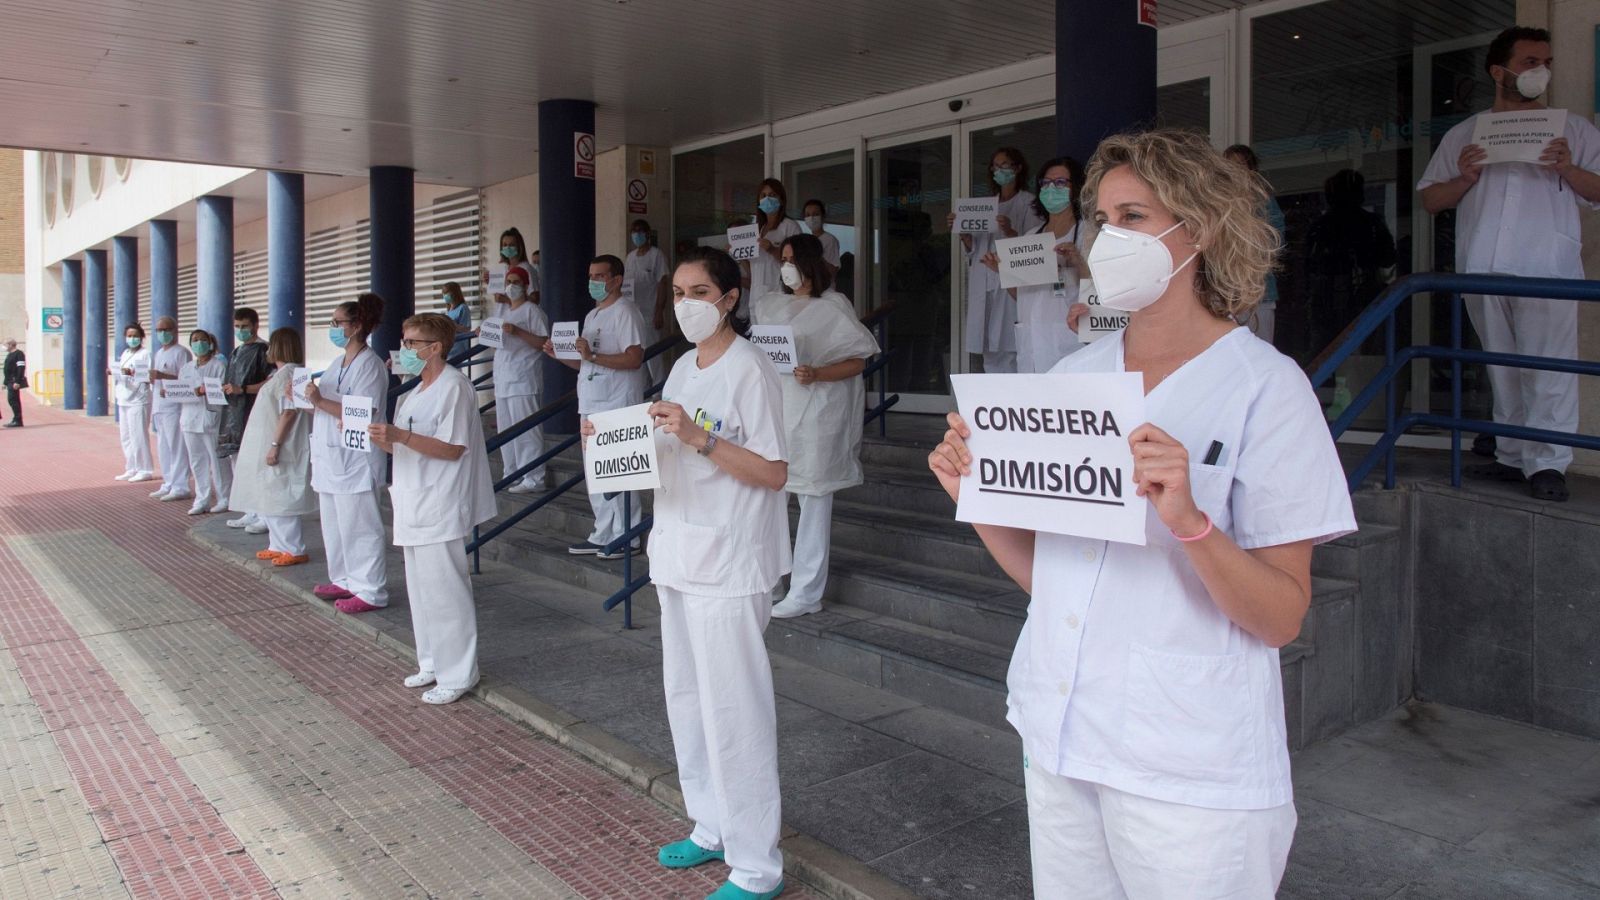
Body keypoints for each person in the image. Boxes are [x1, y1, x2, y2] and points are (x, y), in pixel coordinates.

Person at [928, 129, 1356, 897]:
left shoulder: (1266, 386)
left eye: (1134, 216)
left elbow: (1282, 617)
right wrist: (979, 502)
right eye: (1100, 217)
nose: (1106, 237)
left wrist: (1191, 521)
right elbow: (1057, 587)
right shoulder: (1074, 376)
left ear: (1203, 229)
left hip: (1187, 765)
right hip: (1059, 734)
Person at [598, 246, 788, 900]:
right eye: (679, 292)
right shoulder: (681, 366)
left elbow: (772, 472)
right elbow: (669, 441)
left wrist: (701, 438)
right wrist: (620, 440)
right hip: (680, 550)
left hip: (731, 560)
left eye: (701, 292)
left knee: (735, 709)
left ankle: (756, 866)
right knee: (689, 702)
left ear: (731, 298)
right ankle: (711, 823)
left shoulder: (751, 370)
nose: (686, 305)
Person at [1419, 25, 1600, 503]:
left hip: (1549, 270)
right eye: (1530, 62)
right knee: (1500, 368)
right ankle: (1513, 456)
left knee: (1549, 369)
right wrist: (1465, 177)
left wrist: (1568, 169)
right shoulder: (1465, 134)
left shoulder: (1574, 130)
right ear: (1499, 71)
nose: (1540, 71)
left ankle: (1550, 464)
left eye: (1546, 62)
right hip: (1482, 265)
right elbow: (1431, 199)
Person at [369, 313, 497, 706]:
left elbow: (454, 447)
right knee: (421, 591)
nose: (404, 350)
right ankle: (431, 660)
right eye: (404, 342)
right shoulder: (411, 393)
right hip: (412, 499)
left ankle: (459, 671)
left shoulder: (454, 387)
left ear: (435, 347)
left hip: (441, 501)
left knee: (445, 590)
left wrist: (401, 436)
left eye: (411, 343)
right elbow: (404, 446)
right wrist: (382, 439)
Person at [753, 234, 878, 619]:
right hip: (780, 412)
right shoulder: (772, 305)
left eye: (792, 259)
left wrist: (818, 372)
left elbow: (858, 360)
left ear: (810, 263)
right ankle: (771, 579)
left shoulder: (834, 305)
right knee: (771, 499)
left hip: (819, 415)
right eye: (783, 258)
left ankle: (807, 592)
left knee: (813, 501)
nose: (785, 265)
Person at [546, 255, 647, 560]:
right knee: (596, 471)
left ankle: (627, 535)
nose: (594, 281)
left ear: (617, 280)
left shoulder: (625, 312)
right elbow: (585, 361)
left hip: (617, 400)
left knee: (618, 468)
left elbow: (634, 358)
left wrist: (593, 357)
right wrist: (558, 355)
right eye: (591, 275)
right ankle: (603, 530)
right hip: (591, 400)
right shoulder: (592, 316)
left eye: (601, 276)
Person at [303, 294, 391, 613]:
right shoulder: (337, 362)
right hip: (331, 457)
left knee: (360, 525)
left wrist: (318, 401)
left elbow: (363, 412)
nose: (333, 327)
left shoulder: (370, 364)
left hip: (356, 460)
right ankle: (344, 579)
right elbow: (326, 400)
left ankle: (371, 589)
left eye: (338, 322)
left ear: (355, 327)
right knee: (335, 525)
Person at [983, 156, 1094, 374]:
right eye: (1046, 183)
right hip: (1031, 339)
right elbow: (1022, 296)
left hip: (1069, 338)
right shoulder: (1031, 236)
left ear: (1076, 188)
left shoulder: (1087, 234)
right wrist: (1003, 273)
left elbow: (1098, 292)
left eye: (1060, 183)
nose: (1052, 188)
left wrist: (1077, 262)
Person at [952, 148, 1043, 373]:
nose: (999, 170)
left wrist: (1010, 231)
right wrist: (964, 235)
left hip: (1009, 282)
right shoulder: (986, 205)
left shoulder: (1028, 203)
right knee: (989, 350)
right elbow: (976, 250)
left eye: (1005, 165)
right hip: (984, 282)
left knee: (1010, 348)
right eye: (995, 165)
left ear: (1018, 168)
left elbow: (1033, 246)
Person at [230, 328, 314, 566]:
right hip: (270, 441)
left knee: (281, 495)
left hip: (283, 444)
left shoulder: (293, 374)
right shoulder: (281, 374)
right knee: (269, 493)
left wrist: (276, 444)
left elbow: (289, 412)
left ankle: (293, 547)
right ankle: (277, 544)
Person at [1304, 169, 1396, 357]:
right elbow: (1388, 256)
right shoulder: (1366, 223)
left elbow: (1388, 256)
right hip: (1335, 297)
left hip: (1350, 296)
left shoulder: (1323, 225)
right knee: (1349, 346)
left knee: (1335, 348)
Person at [492, 266, 551, 493]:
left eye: (516, 281)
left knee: (527, 431)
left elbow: (544, 342)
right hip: (503, 379)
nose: (511, 285)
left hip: (524, 378)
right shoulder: (503, 312)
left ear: (526, 286)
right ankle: (512, 473)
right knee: (506, 431)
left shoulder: (532, 311)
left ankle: (534, 477)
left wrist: (518, 332)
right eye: (508, 281)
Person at [1225, 144, 1286, 344]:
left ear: (1251, 169)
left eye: (1241, 165)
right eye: (1230, 165)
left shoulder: (1264, 201)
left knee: (1262, 349)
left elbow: (1274, 242)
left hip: (1259, 292)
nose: (1236, 171)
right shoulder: (1218, 202)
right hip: (1225, 293)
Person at [221, 308, 273, 530]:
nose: (240, 330)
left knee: (257, 465)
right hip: (235, 416)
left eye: (244, 326)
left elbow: (270, 382)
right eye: (237, 326)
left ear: (255, 325)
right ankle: (250, 510)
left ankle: (263, 513)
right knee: (241, 465)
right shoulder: (236, 352)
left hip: (253, 413)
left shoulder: (263, 350)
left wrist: (242, 389)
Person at [177, 329, 229, 516]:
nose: (199, 344)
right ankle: (202, 499)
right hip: (189, 419)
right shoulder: (186, 368)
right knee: (197, 461)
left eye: (202, 340)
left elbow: (221, 391)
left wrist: (204, 391)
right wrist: (170, 392)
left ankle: (224, 498)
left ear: (210, 343)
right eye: (195, 340)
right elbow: (181, 390)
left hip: (211, 419)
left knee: (217, 461)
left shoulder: (219, 365)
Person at [147, 317, 193, 501]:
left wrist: (162, 375)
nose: (163, 333)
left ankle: (181, 486)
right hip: (159, 405)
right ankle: (168, 482)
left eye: (166, 329)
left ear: (174, 330)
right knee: (163, 447)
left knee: (177, 447)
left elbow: (187, 379)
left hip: (175, 407)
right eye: (159, 330)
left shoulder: (182, 353)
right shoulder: (158, 353)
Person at [625, 218, 672, 386]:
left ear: (647, 234)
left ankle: (659, 389)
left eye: (640, 231)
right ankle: (644, 390)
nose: (636, 235)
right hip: (634, 313)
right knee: (638, 353)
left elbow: (662, 282)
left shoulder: (656, 255)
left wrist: (659, 311)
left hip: (650, 313)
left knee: (654, 355)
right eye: (634, 231)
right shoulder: (630, 258)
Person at [747, 179, 803, 303]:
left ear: (781, 199)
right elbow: (753, 267)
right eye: (763, 195)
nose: (767, 199)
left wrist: (772, 249)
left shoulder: (790, 226)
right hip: (756, 294)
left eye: (772, 195)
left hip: (780, 292)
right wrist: (738, 253)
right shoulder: (757, 229)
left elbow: (799, 262)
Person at [112, 325, 154, 480]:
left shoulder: (145, 354)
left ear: (141, 337)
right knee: (126, 435)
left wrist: (133, 373)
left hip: (138, 399)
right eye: (129, 335)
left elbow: (147, 376)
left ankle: (145, 469)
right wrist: (114, 371)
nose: (132, 339)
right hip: (124, 397)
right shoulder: (125, 353)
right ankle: (132, 466)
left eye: (135, 335)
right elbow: (122, 373)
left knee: (138, 435)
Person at [485, 227, 538, 305]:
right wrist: (491, 283)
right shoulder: (503, 268)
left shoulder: (527, 269)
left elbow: (535, 300)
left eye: (512, 245)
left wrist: (508, 300)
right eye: (505, 245)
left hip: (519, 315)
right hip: (501, 315)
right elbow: (500, 295)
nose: (508, 248)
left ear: (519, 247)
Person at [800, 200, 842, 276]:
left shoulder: (830, 240)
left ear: (823, 217)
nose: (811, 218)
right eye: (808, 215)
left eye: (815, 214)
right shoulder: (806, 241)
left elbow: (833, 270)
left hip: (824, 286)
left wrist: (817, 257)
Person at [442, 282, 474, 361]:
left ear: (454, 293)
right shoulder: (449, 310)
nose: (445, 295)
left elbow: (467, 329)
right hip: (449, 345)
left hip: (458, 345)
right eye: (443, 293)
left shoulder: (463, 308)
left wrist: (452, 325)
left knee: (455, 366)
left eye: (446, 293)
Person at [2, 339, 23, 427]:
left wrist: (17, 381)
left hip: (14, 381)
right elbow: (7, 370)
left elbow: (21, 368)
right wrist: (5, 382)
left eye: (5, 344)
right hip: (10, 381)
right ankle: (16, 419)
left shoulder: (19, 354)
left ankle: (17, 420)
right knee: (12, 400)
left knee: (13, 400)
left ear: (11, 344)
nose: (4, 347)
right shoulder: (9, 355)